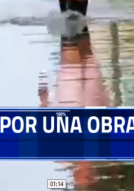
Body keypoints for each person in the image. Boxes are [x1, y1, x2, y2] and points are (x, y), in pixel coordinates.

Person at [39, 30, 111, 188]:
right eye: (89, 179)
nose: (86, 178)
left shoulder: (63, 158)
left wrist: (44, 103)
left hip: (70, 99)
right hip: (93, 99)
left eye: (82, 181)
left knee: (70, 51)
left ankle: (68, 20)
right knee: (85, 48)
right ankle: (75, 17)